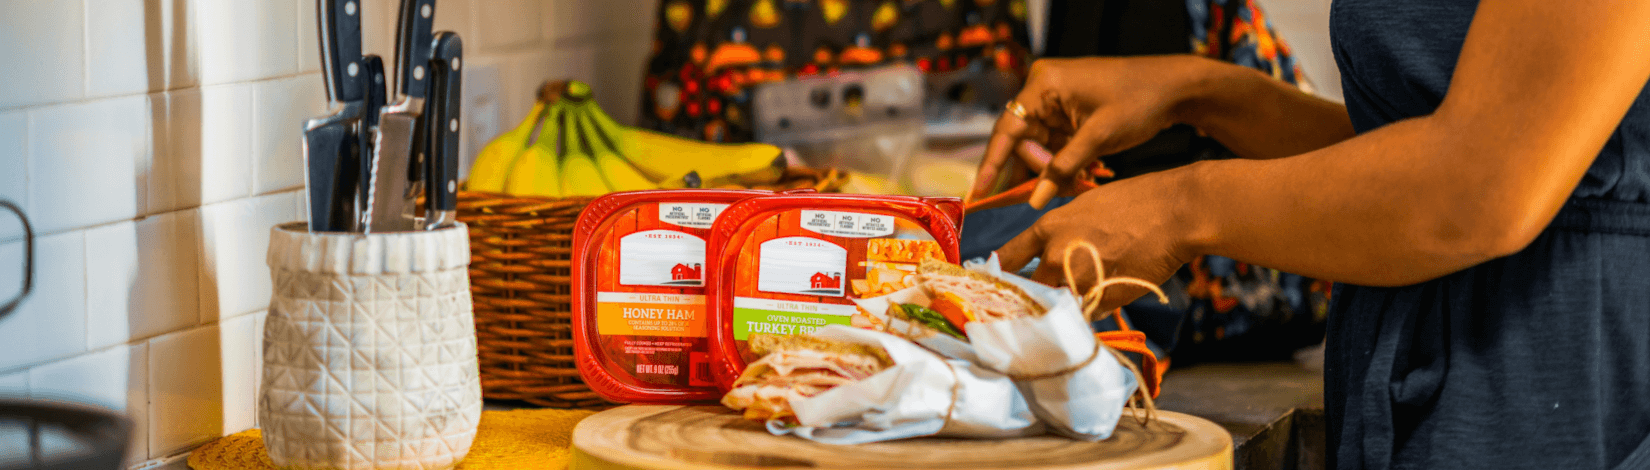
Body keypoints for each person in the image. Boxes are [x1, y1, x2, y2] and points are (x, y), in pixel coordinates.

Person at [969, 1, 1650, 469]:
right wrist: (1205, 96)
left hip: (1556, 384)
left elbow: (1482, 188)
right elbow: (1419, 152)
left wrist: (1180, 207)